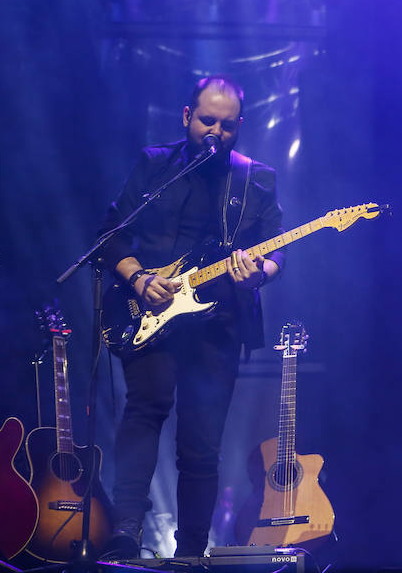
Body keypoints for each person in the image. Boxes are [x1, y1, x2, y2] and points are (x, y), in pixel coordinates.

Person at [98, 75, 285, 558]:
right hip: (149, 312)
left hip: (217, 323)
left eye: (226, 125)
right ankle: (126, 530)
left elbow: (276, 250)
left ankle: (192, 552)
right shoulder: (155, 165)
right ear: (186, 116)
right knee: (144, 411)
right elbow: (111, 237)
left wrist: (257, 274)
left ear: (239, 126)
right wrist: (139, 279)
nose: (215, 133)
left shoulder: (256, 178)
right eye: (206, 121)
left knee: (201, 444)